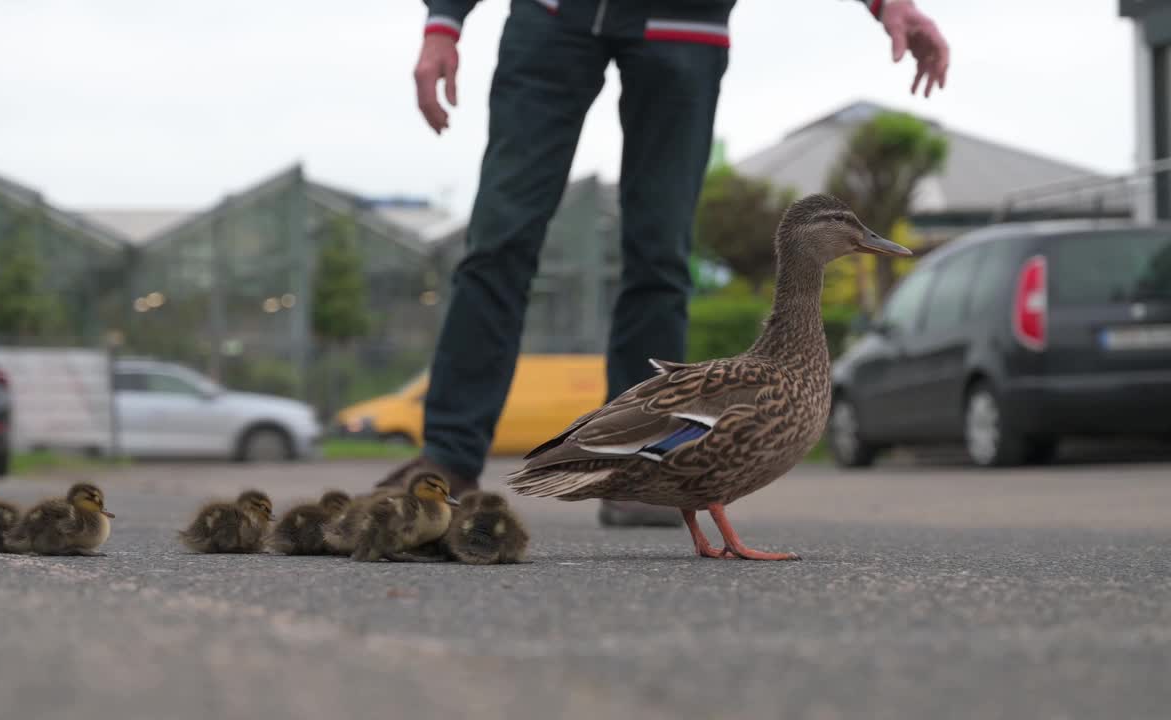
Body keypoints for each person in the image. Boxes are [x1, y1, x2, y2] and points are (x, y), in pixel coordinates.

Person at [379, 0, 950, 526]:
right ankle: (449, 457)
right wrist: (444, 23)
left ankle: (642, 472)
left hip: (682, 20)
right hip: (553, 16)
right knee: (499, 239)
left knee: (661, 248)